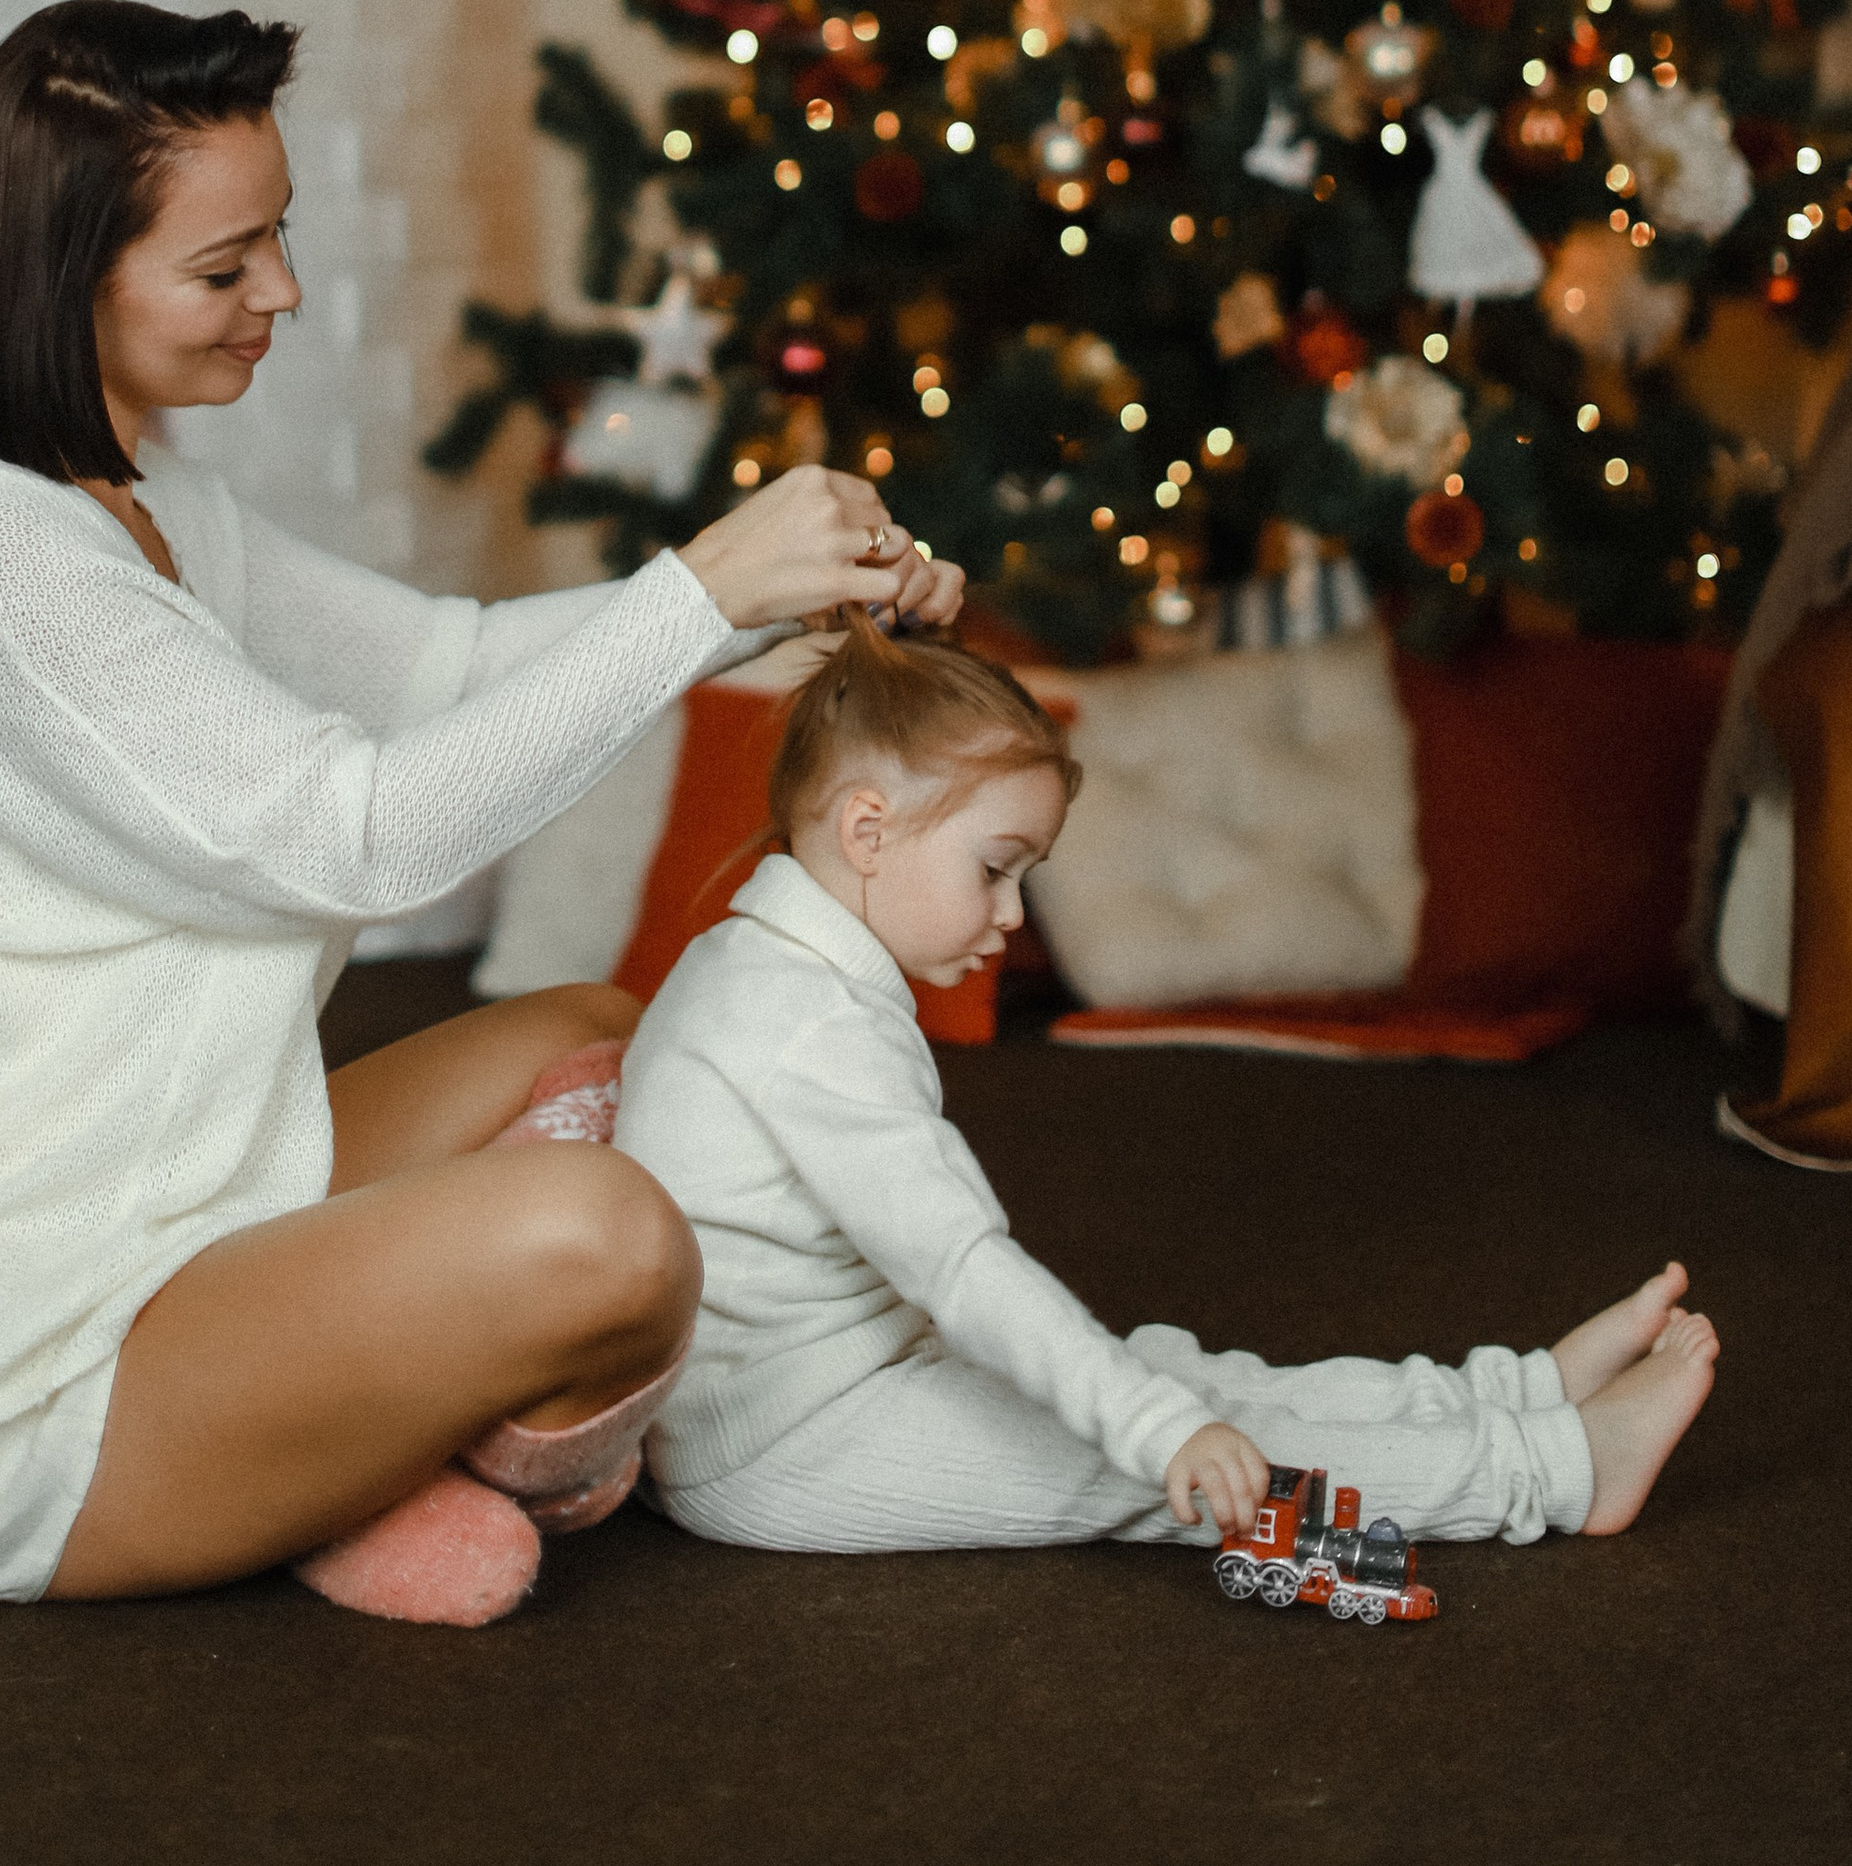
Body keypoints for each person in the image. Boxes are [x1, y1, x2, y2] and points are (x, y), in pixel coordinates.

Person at [0, 0, 963, 1621]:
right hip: (18, 1376)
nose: (282, 291)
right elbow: (364, 836)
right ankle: (365, 1446)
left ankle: (351, 1445)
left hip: (195, 1202)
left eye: (280, 237)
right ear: (66, 277)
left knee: (606, 1034)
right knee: (611, 1236)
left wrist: (775, 604)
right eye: (225, 265)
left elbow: (443, 666)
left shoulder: (137, 502)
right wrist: (697, 593)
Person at [616, 619, 1719, 1560]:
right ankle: (1554, 1469)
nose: (1011, 913)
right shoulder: (807, 1021)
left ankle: (1510, 1393)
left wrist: (1156, 1404)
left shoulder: (769, 965)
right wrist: (1160, 1435)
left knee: (1169, 1372)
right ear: (867, 830)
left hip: (843, 1371)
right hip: (781, 1443)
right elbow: (960, 1267)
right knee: (1154, 1462)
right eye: (994, 867)